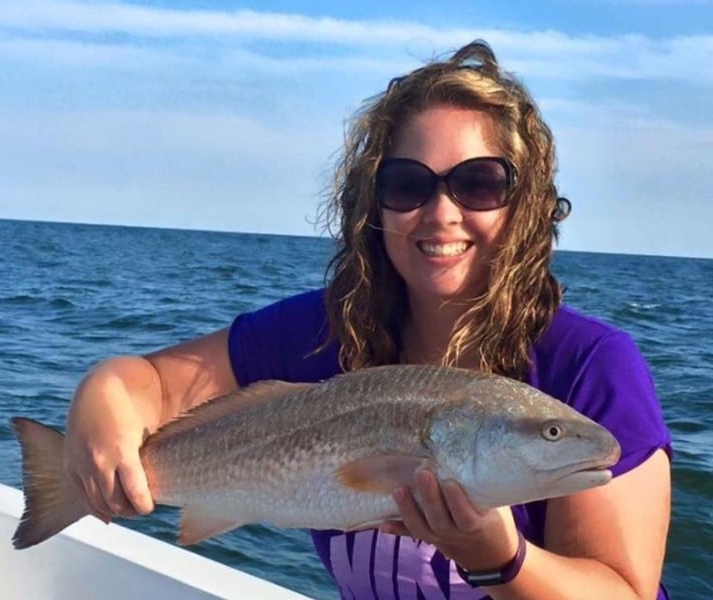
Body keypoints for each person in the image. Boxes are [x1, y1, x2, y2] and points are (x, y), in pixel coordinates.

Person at [63, 40, 672, 599]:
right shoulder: (326, 329)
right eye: (408, 184)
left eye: (480, 183)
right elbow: (153, 384)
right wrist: (102, 396)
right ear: (371, 205)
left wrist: (499, 557)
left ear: (527, 204)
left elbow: (623, 591)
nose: (441, 213)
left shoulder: (592, 365)